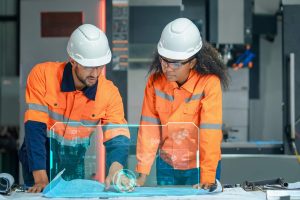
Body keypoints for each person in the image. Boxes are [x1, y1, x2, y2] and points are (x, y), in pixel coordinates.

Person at [19, 24, 131, 193]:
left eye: (100, 66)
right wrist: (40, 178)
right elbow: (35, 128)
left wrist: (116, 169)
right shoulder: (42, 75)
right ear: (73, 61)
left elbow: (118, 136)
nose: (95, 73)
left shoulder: (109, 93)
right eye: (88, 67)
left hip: (74, 161)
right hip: (39, 160)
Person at [135, 18, 229, 189]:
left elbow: (210, 133)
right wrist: (142, 174)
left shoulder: (209, 83)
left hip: (200, 167)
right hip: (166, 165)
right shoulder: (154, 82)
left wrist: (208, 177)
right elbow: (149, 129)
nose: (168, 68)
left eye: (176, 63)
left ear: (192, 62)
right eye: (164, 60)